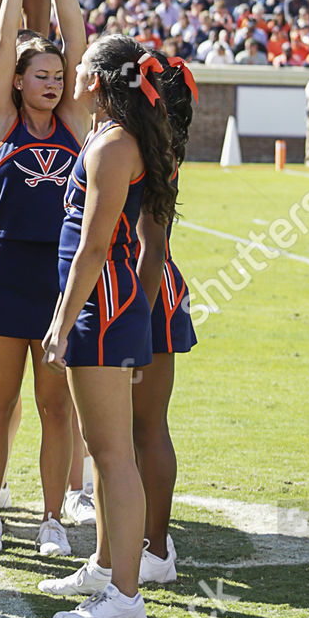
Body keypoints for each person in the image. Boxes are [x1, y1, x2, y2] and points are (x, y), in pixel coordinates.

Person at [40, 36, 176, 618]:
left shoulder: (114, 144)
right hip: (111, 303)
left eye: (80, 66)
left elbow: (94, 246)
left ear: (95, 80)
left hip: (102, 303)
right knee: (104, 450)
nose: (70, 72)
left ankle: (124, 596)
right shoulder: (111, 134)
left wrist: (60, 322)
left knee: (114, 454)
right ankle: (107, 570)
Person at [0, 0, 89, 558]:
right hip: (4, 272)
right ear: (18, 80)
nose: (53, 83)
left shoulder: (72, 123)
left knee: (54, 403)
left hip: (59, 277)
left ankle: (51, 518)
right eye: (40, 74)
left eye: (57, 75)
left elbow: (80, 44)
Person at [131, 55, 198, 586]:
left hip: (138, 294)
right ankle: (147, 548)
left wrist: (134, 318)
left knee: (138, 429)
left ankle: (151, 550)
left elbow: (149, 249)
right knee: (136, 429)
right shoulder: (156, 145)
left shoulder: (143, 150)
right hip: (143, 292)